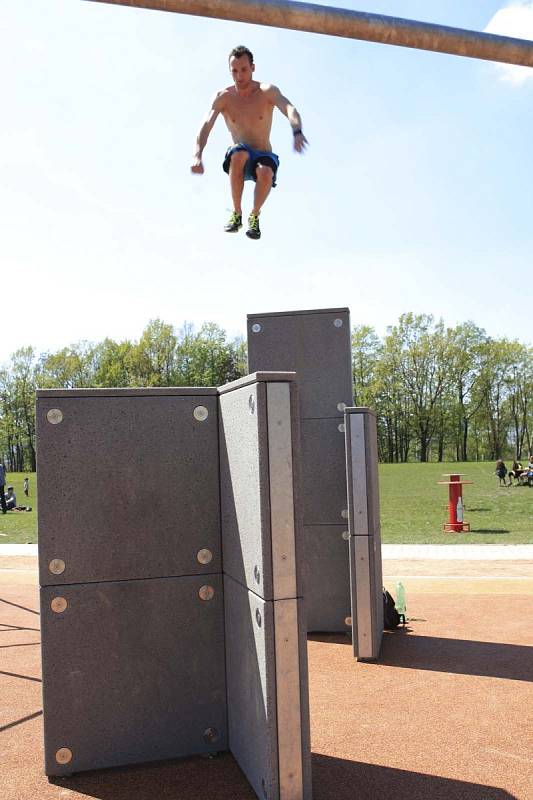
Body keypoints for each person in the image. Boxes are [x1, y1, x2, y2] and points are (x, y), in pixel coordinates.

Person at [191, 45, 308, 240]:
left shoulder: (266, 91)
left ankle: (254, 216)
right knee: (239, 153)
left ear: (253, 67)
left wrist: (297, 131)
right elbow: (206, 124)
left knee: (265, 171)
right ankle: (237, 213)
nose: (239, 76)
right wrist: (197, 154)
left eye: (244, 69)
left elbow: (289, 108)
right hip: (240, 156)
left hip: (264, 155)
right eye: (234, 71)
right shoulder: (224, 97)